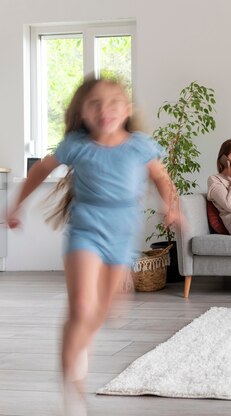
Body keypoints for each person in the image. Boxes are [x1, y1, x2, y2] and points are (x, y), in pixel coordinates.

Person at [5, 76, 180, 415]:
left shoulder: (139, 146)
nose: (105, 110)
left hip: (121, 239)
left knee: (99, 315)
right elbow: (39, 172)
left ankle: (82, 346)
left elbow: (161, 177)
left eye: (113, 102)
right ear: (82, 113)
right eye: (94, 103)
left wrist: (170, 206)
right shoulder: (76, 145)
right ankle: (72, 390)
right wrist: (15, 205)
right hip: (85, 233)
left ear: (126, 110)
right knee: (82, 308)